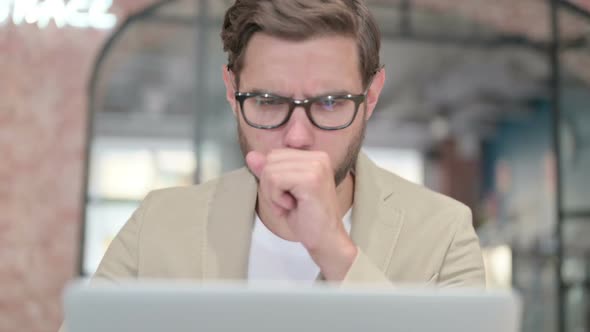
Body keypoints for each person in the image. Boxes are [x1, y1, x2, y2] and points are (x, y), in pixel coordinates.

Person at [91, 0, 485, 287]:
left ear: (372, 94)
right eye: (268, 101)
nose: (297, 137)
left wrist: (334, 250)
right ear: (232, 91)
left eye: (330, 103)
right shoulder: (157, 225)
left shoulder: (444, 234)